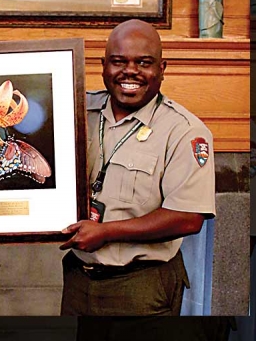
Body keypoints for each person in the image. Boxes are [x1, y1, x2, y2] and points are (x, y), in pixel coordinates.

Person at [59, 19, 216, 316]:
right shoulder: (76, 110)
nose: (130, 71)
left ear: (162, 68)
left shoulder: (183, 131)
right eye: (119, 61)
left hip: (141, 285)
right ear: (103, 65)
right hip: (78, 278)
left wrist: (106, 232)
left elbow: (188, 218)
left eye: (143, 62)